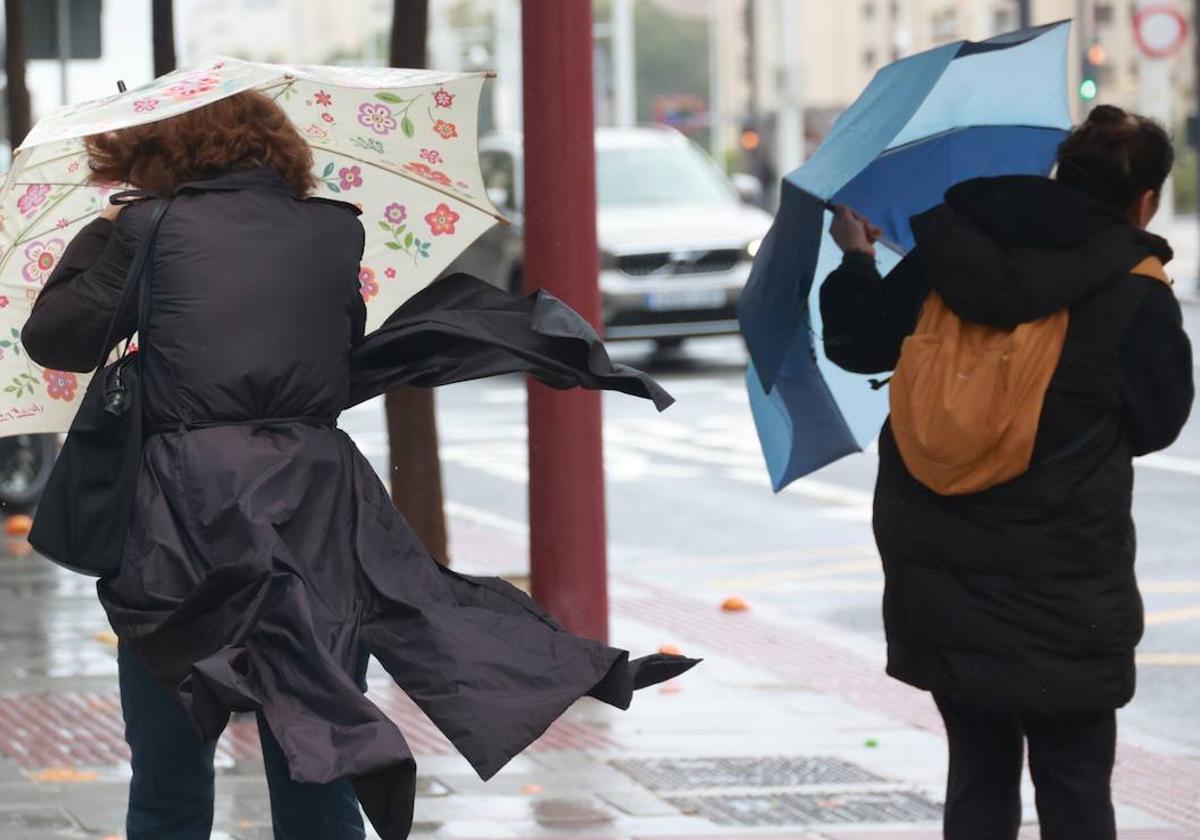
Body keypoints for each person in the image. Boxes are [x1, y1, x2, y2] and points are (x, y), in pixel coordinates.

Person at [21, 91, 695, 840]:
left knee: (170, 768)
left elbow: (55, 339)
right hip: (313, 504)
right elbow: (334, 351)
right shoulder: (334, 230)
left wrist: (108, 229)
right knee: (319, 739)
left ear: (164, 154)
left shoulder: (147, 225)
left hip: (184, 515)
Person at [819, 105, 1193, 840]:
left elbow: (858, 344)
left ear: (1060, 171)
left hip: (944, 572)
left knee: (978, 775)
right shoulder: (1135, 289)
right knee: (1076, 787)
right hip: (1068, 585)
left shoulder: (949, 247)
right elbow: (1156, 424)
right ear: (1143, 201)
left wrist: (857, 258)